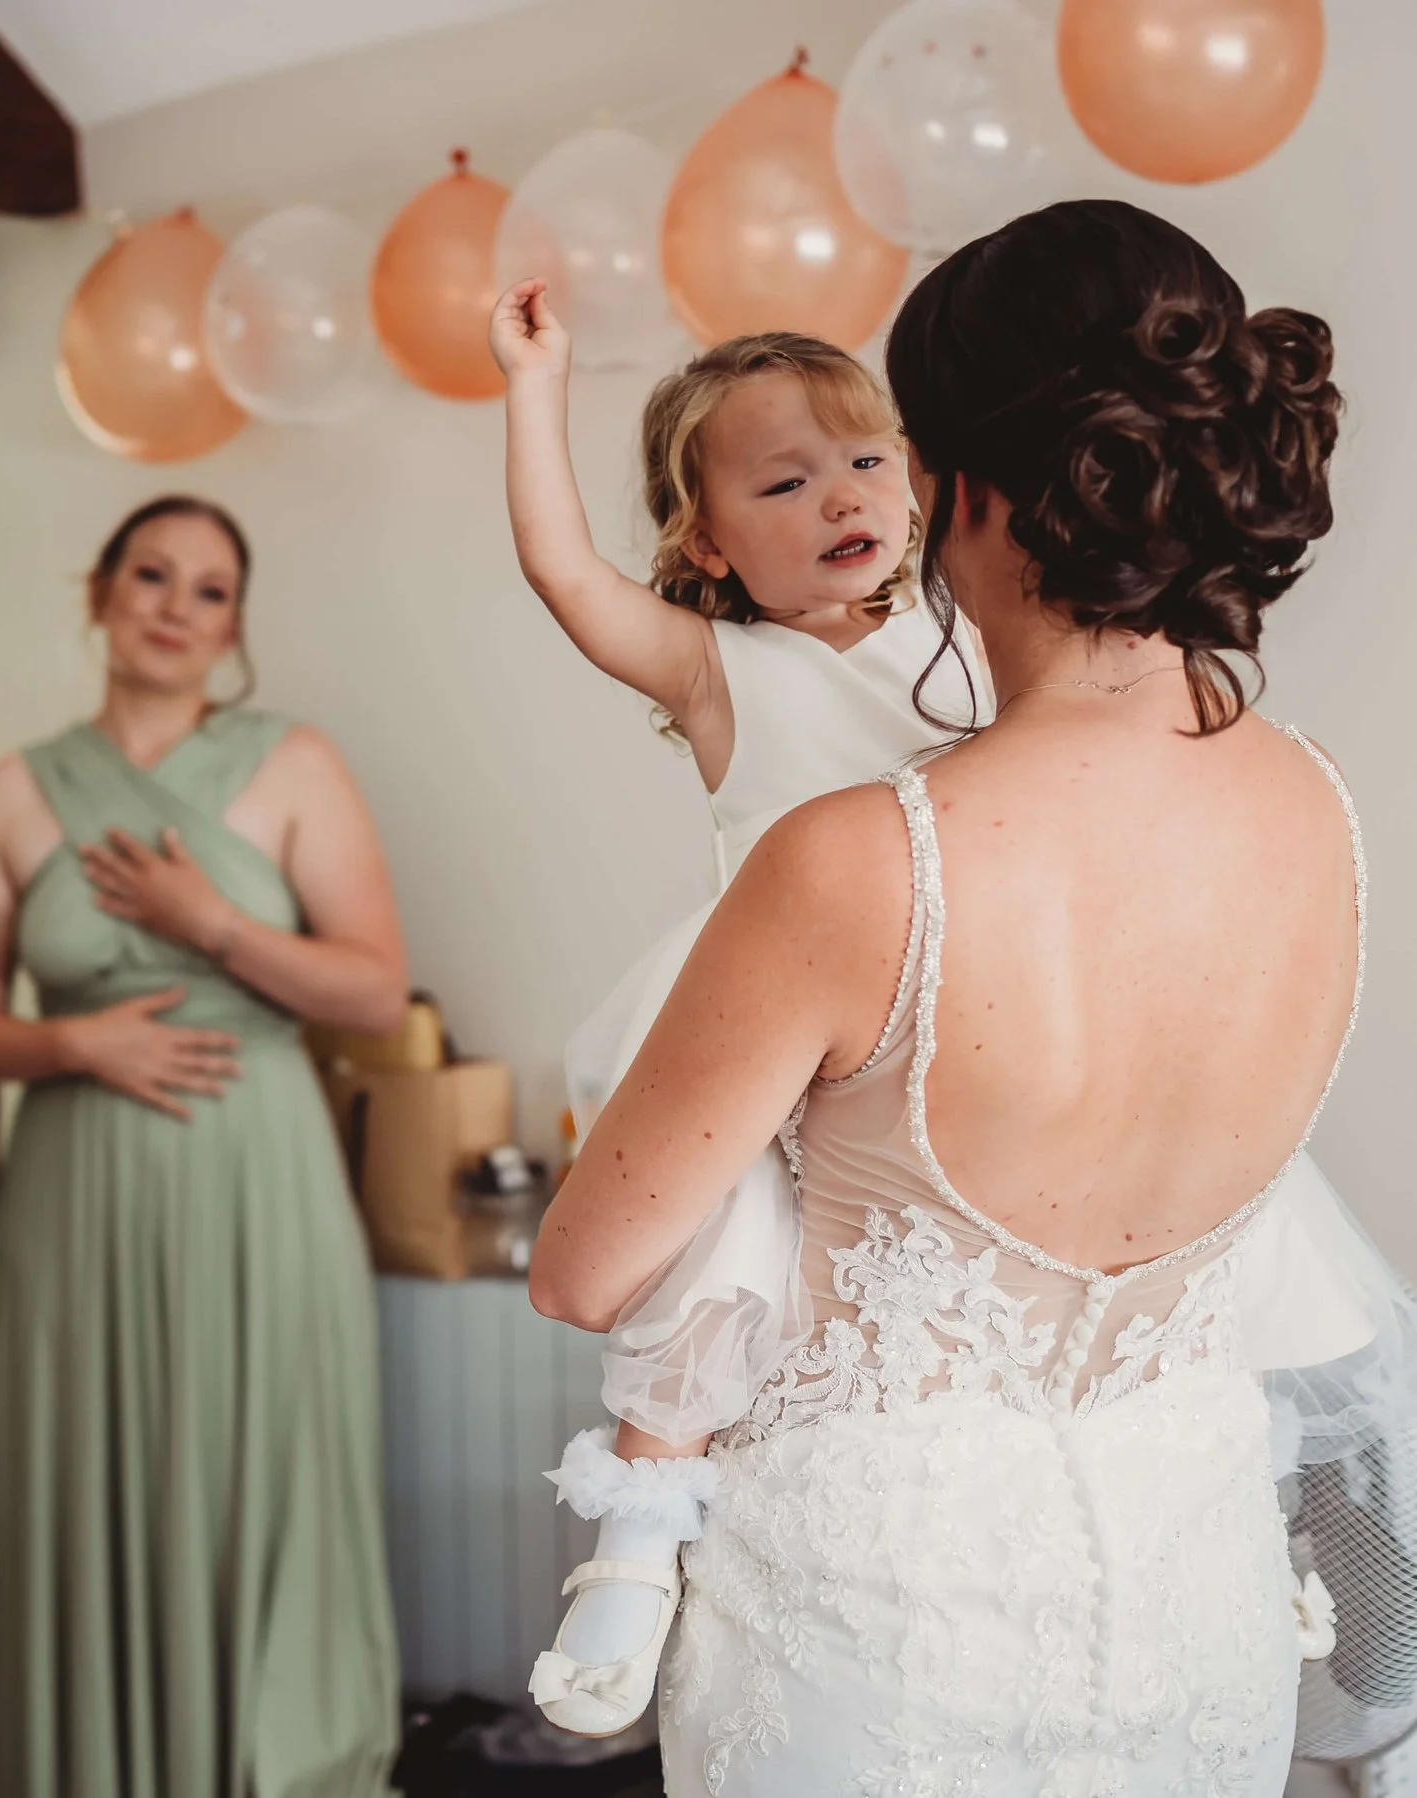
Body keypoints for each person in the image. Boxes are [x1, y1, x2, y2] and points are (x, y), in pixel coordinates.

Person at [530, 199, 1410, 1793]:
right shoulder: (1322, 809)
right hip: (1197, 1604)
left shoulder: (854, 862)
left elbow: (590, 1271)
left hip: (883, 1642)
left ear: (962, 488)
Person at [487, 290, 985, 1730]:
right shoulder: (721, 668)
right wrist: (534, 383)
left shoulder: (967, 634)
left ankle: (1257, 1517)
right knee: (727, 1226)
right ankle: (640, 1522)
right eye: (783, 482)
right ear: (707, 541)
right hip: (780, 1018)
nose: (840, 497)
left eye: (866, 460)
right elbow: (561, 569)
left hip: (959, 996)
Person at [0, 496, 404, 1798]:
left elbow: (373, 990)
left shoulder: (293, 764)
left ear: (233, 627)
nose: (174, 608)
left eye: (209, 590)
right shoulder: (13, 791)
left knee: (266, 1466)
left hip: (258, 1170)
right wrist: (70, 1044)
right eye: (151, 575)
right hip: (75, 1183)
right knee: (92, 1481)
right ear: (99, 592)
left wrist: (215, 925)